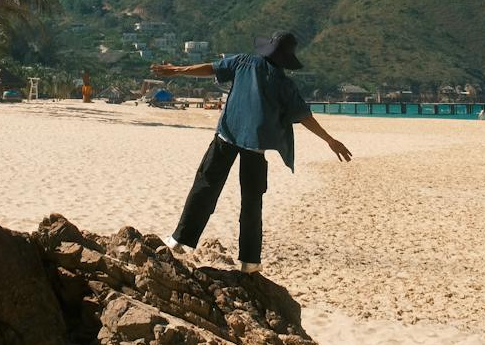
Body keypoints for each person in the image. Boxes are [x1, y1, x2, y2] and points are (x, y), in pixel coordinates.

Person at [151, 31, 352, 274]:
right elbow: (304, 117)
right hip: (255, 145)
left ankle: (180, 240)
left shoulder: (243, 61)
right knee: (252, 202)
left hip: (227, 134)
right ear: (286, 59)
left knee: (205, 186)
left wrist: (178, 70)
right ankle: (250, 261)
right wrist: (329, 139)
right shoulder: (283, 83)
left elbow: (211, 68)